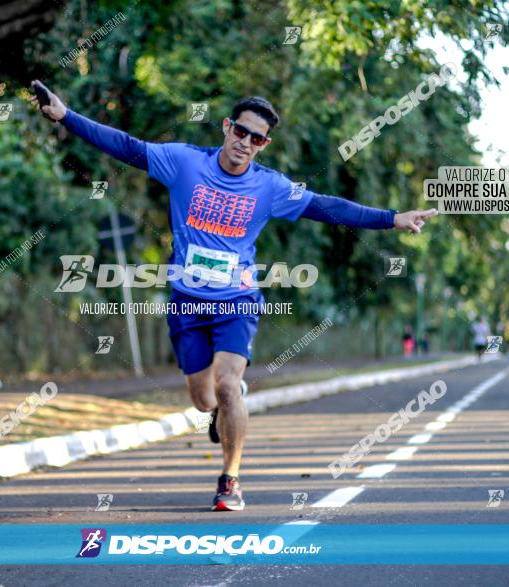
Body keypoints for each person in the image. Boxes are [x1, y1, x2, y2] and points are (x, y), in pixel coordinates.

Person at [30, 85, 438, 510]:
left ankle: (230, 479)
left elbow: (327, 206)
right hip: (187, 301)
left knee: (226, 387)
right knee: (204, 399)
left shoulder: (270, 187)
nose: (246, 143)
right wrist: (66, 116)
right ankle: (222, 404)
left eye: (257, 139)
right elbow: (126, 146)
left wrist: (393, 219)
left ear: (265, 145)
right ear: (227, 127)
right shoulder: (185, 163)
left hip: (237, 300)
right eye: (241, 132)